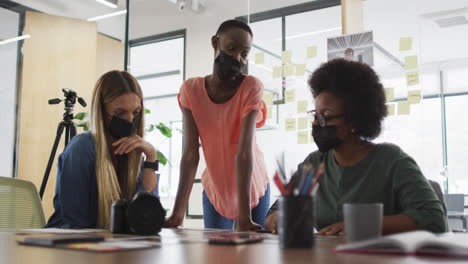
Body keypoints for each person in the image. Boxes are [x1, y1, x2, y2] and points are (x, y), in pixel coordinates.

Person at [264, 59, 447, 235]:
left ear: (354, 121)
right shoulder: (314, 163)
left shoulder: (391, 160)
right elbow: (275, 211)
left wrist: (360, 225)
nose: (315, 124)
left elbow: (433, 219)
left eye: (324, 117)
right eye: (315, 115)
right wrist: (278, 217)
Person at [164, 19, 270, 231]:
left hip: (252, 187)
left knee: (253, 254)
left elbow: (244, 152)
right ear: (216, 43)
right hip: (216, 189)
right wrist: (177, 214)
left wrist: (244, 219)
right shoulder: (191, 90)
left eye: (244, 53)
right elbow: (190, 154)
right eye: (231, 48)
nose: (237, 58)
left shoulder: (251, 87)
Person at [46, 70, 159, 229]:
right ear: (101, 112)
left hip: (110, 245)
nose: (130, 120)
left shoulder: (132, 152)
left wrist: (151, 157)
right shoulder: (82, 148)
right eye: (120, 113)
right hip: (70, 244)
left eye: (136, 112)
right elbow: (76, 221)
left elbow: (144, 214)